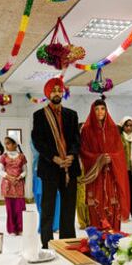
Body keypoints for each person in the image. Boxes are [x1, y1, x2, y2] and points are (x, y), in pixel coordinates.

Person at [31, 77, 81, 249]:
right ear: (48, 94)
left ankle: (67, 243)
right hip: (50, 167)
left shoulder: (72, 114)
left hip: (70, 167)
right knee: (48, 208)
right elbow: (38, 141)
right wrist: (54, 157)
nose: (57, 93)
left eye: (60, 90)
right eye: (54, 91)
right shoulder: (39, 115)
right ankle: (47, 244)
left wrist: (72, 156)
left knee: (68, 208)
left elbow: (76, 139)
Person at [80, 100, 130, 231]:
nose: (100, 112)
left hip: (111, 175)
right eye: (97, 109)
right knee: (96, 206)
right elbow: (84, 152)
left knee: (113, 205)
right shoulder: (86, 130)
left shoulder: (113, 129)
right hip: (95, 176)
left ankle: (114, 238)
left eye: (103, 109)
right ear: (92, 111)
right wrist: (99, 159)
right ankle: (98, 241)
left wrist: (111, 158)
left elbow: (119, 151)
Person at [0, 136, 27, 235]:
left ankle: (20, 228)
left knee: (20, 207)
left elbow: (25, 171)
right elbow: (0, 170)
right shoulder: (4, 156)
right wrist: (8, 177)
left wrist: (20, 177)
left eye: (9, 143)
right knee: (10, 208)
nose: (6, 146)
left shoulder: (22, 156)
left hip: (18, 184)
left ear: (15, 144)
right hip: (8, 184)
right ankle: (12, 229)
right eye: (5, 143)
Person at [31, 141, 60, 232]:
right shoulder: (36, 137)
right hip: (40, 171)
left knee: (56, 198)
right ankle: (45, 225)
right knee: (42, 200)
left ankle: (55, 225)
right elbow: (38, 153)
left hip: (55, 170)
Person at [76, 123, 90, 230]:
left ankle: (90, 220)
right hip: (79, 172)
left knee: (90, 198)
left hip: (90, 172)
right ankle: (82, 221)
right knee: (80, 199)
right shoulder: (76, 142)